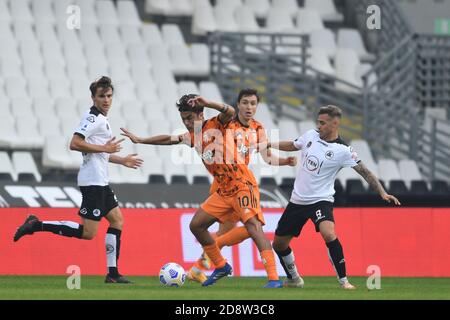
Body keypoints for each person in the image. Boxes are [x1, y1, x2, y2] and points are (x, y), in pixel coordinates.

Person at [120, 93, 283, 288]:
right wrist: (140, 140)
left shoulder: (217, 124)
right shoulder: (193, 136)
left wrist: (208, 102)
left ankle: (274, 278)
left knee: (253, 228)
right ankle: (221, 266)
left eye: (189, 118)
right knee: (196, 225)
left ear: (200, 114)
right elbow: (168, 139)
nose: (187, 122)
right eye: (183, 119)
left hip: (241, 185)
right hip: (223, 191)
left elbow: (230, 111)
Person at [13, 76, 143, 284]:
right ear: (93, 97)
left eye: (109, 96)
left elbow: (101, 154)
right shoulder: (93, 118)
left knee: (117, 220)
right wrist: (105, 148)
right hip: (92, 182)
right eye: (102, 96)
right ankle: (37, 225)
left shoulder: (101, 119)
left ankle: (113, 273)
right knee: (88, 233)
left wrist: (122, 160)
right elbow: (75, 143)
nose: (106, 100)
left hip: (101, 181)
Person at [259, 105, 401, 289]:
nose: (319, 126)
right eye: (318, 122)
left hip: (321, 200)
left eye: (323, 123)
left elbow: (365, 172)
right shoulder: (310, 135)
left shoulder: (343, 150)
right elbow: (294, 145)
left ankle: (344, 281)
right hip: (297, 200)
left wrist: (382, 192)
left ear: (335, 123)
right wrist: (270, 144)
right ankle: (294, 279)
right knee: (279, 244)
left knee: (329, 233)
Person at [184, 89, 297, 284]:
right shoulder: (228, 123)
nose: (249, 107)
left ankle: (198, 268)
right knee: (241, 229)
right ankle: (202, 266)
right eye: (245, 103)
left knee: (232, 231)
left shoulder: (258, 129)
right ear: (238, 105)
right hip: (224, 184)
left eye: (253, 103)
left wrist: (286, 161)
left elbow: (267, 157)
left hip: (240, 183)